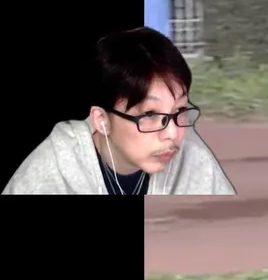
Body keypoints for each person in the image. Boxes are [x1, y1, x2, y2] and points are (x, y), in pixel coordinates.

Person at [2, 27, 235, 195]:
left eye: (180, 109)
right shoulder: (48, 175)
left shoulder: (193, 157)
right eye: (150, 115)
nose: (173, 134)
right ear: (102, 120)